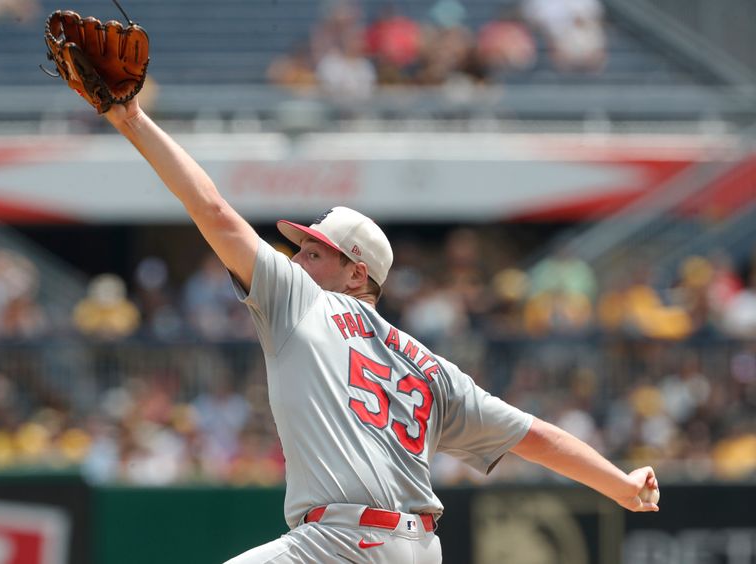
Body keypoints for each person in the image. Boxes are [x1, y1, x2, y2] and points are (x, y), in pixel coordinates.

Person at [99, 97, 659, 563]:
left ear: (355, 271)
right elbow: (537, 438)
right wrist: (621, 485)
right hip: (415, 550)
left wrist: (131, 118)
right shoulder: (434, 368)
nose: (297, 263)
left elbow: (216, 212)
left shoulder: (304, 304)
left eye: (315, 253)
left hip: (340, 542)